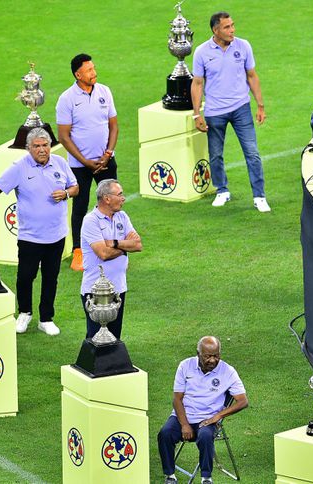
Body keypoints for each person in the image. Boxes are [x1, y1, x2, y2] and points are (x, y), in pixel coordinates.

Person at [0, 128, 78, 336]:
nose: (42, 150)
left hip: (57, 235)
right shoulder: (19, 168)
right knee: (25, 277)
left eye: (45, 145)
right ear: (28, 149)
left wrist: (66, 194)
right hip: (30, 237)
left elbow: (75, 187)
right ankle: (24, 312)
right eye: (37, 146)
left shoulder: (60, 163)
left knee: (51, 278)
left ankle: (46, 318)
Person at [191, 11, 270, 213]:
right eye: (227, 27)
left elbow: (252, 76)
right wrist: (196, 114)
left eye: (232, 25)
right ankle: (222, 190)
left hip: (241, 108)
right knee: (215, 155)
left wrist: (260, 105)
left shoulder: (243, 46)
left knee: (252, 153)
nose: (232, 30)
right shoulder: (201, 52)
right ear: (215, 30)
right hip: (214, 111)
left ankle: (259, 196)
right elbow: (198, 83)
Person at [56, 53, 119, 272]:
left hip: (106, 162)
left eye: (94, 68)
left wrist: (108, 153)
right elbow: (63, 136)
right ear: (78, 74)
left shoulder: (104, 91)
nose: (94, 73)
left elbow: (113, 125)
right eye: (89, 70)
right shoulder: (67, 99)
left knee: (113, 204)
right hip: (79, 166)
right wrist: (85, 161)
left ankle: (113, 246)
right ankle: (78, 252)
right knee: (80, 207)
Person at [157, 336, 248, 484]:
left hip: (207, 420)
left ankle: (206, 478)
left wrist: (218, 416)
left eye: (216, 356)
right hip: (183, 416)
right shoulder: (185, 366)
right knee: (164, 434)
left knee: (206, 437)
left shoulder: (228, 371)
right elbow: (177, 399)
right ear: (198, 353)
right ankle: (170, 476)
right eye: (208, 356)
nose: (212, 360)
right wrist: (185, 424)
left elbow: (243, 401)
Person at [79, 179, 141, 339]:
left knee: (114, 337)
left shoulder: (122, 216)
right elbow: (103, 254)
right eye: (119, 194)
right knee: (96, 338)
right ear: (107, 198)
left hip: (119, 288)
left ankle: (112, 365)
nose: (123, 198)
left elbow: (138, 245)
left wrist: (114, 243)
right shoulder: (90, 221)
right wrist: (124, 248)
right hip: (96, 291)